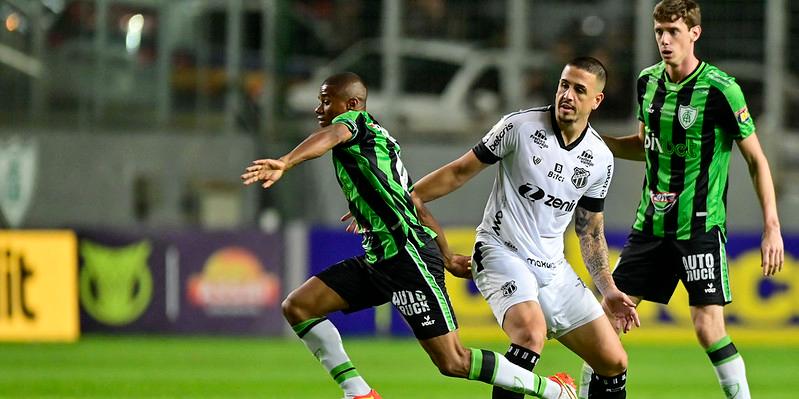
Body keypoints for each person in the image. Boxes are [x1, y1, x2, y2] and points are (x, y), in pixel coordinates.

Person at [241, 72, 579, 399]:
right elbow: (414, 202)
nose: (319, 110)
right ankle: (358, 392)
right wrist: (445, 254)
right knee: (299, 306)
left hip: (407, 256)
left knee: (454, 361)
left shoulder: (354, 124)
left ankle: (553, 390)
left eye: (327, 102)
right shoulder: (375, 144)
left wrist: (285, 161)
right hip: (381, 259)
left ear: (352, 104)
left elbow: (330, 136)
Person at [578, 1, 785, 398]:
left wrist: (771, 227)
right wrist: (595, 142)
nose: (664, 40)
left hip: (700, 226)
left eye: (673, 31)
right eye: (659, 31)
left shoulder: (722, 89)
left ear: (694, 33)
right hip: (649, 227)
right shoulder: (648, 82)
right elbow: (645, 145)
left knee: (708, 328)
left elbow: (756, 160)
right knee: (606, 320)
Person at [409, 57, 640, 399]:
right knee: (531, 334)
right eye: (564, 85)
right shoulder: (520, 127)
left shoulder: (600, 158)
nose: (568, 95)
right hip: (500, 251)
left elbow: (590, 231)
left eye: (579, 90)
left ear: (596, 100)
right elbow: (459, 171)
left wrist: (607, 289)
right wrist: (409, 196)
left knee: (614, 361)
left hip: (553, 268)